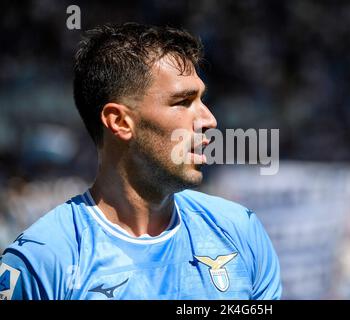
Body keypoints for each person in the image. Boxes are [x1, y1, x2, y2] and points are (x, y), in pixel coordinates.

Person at [0, 23, 281, 300]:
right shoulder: (41, 262)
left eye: (202, 99)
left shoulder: (239, 232)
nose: (209, 120)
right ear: (120, 122)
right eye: (183, 102)